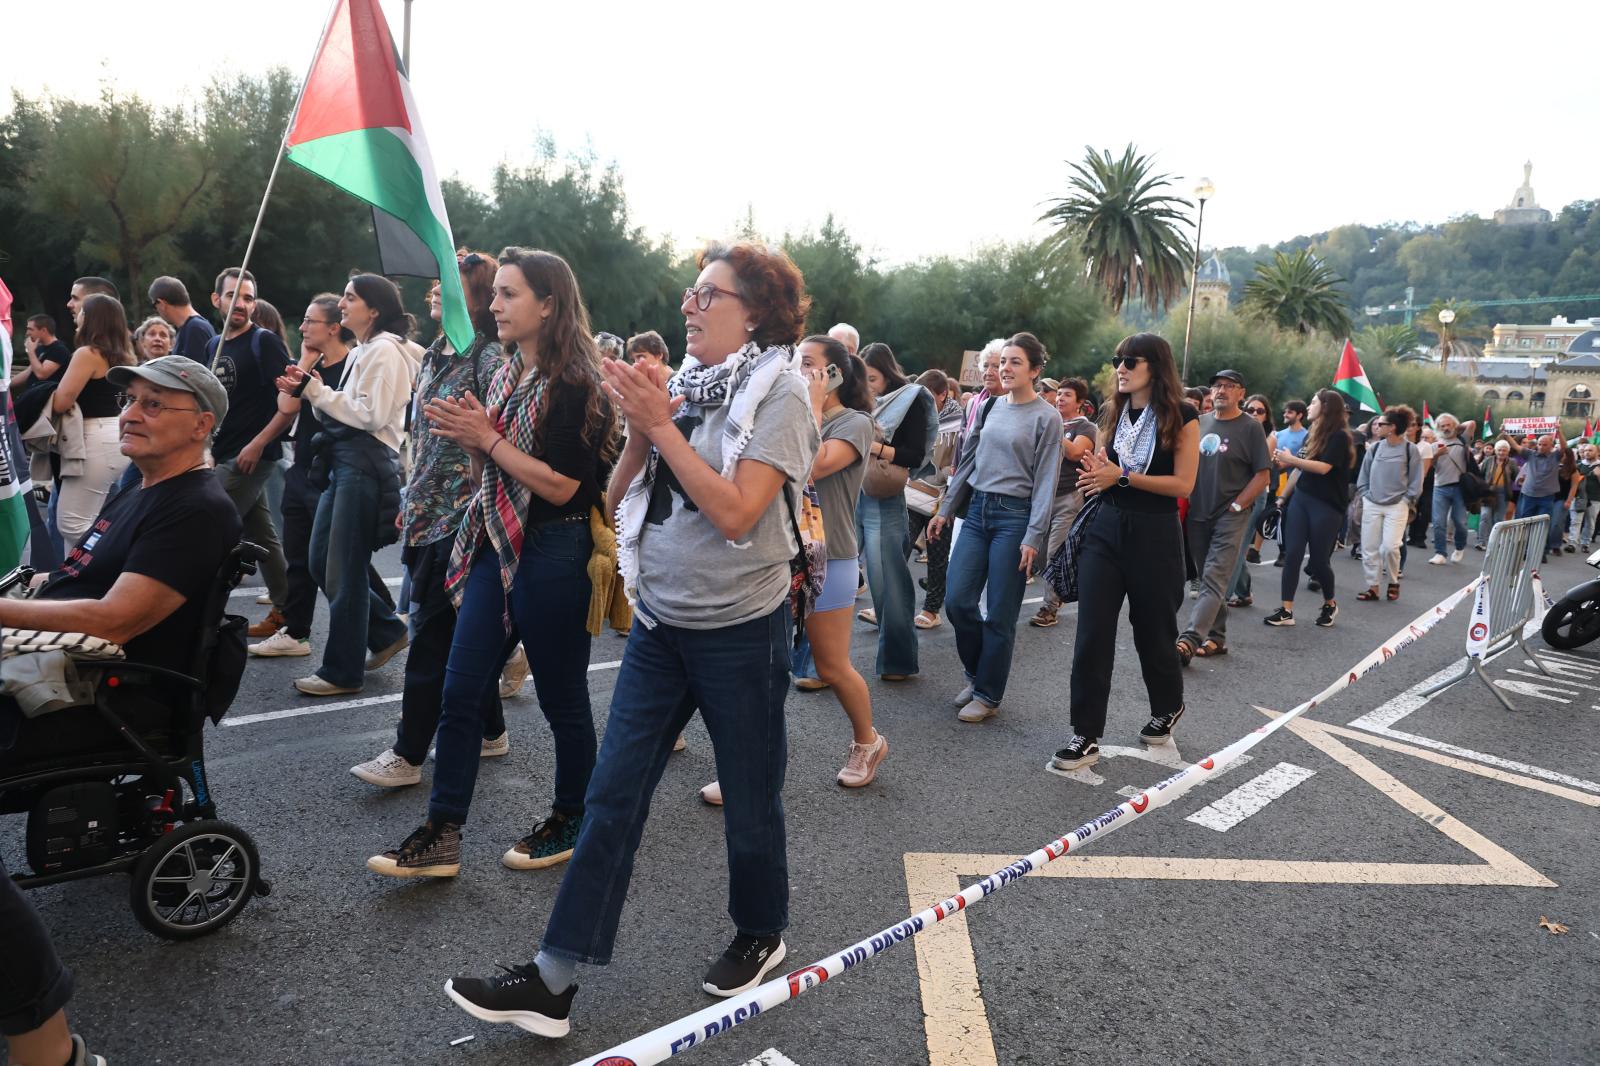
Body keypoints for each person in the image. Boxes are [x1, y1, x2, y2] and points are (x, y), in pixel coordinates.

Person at [444, 240, 819, 1035]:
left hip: (739, 630)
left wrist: (660, 426)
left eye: (708, 294)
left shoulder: (784, 393)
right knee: (611, 797)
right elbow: (616, 502)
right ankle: (552, 980)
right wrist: (646, 432)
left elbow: (737, 514)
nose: (688, 304)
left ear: (756, 311)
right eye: (689, 291)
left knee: (750, 795)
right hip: (659, 623)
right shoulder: (682, 386)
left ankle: (761, 932)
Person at [365, 249, 615, 878]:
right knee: (460, 690)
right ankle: (442, 832)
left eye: (509, 294)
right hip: (493, 543)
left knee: (562, 700)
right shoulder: (506, 375)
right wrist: (473, 444)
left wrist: (487, 439)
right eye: (495, 292)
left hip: (555, 550)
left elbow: (563, 487)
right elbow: (492, 474)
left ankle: (573, 816)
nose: (494, 305)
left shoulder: (574, 383)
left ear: (549, 304)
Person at [350, 254, 512, 784]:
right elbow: (420, 438)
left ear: (480, 296)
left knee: (431, 638)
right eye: (439, 281)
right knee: (455, 635)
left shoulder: (487, 356)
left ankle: (408, 754)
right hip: (426, 513)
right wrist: (411, 500)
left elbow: (499, 436)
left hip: (465, 518)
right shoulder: (431, 355)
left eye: (454, 282)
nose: (438, 289)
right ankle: (491, 730)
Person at [1051, 334, 1198, 771]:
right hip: (1107, 527)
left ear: (1156, 366)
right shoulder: (1113, 410)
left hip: (1155, 533)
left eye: (1130, 360)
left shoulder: (1182, 415)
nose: (1120, 367)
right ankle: (1085, 734)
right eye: (1118, 359)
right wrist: (1096, 475)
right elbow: (1106, 469)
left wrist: (1121, 477)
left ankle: (1168, 705)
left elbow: (1183, 485)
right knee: (1092, 633)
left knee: (1153, 632)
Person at [276, 274, 417, 696]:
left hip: (364, 464)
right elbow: (342, 409)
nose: (342, 303)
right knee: (322, 561)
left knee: (343, 568)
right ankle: (386, 631)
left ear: (373, 310)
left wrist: (316, 392)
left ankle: (342, 670)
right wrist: (312, 391)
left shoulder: (385, 350)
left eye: (350, 298)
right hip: (344, 461)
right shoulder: (362, 351)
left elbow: (371, 415)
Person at [247, 294, 389, 659]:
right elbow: (286, 406)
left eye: (311, 321)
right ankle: (296, 631)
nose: (303, 327)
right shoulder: (310, 364)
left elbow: (361, 415)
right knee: (300, 555)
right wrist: (306, 363)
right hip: (303, 465)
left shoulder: (353, 365)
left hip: (335, 470)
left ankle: (387, 621)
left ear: (333, 328)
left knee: (339, 560)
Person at [930, 332, 1061, 722]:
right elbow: (968, 462)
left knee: (1001, 614)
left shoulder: (1047, 417)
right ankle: (976, 675)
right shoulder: (988, 406)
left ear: (1034, 370)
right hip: (977, 512)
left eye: (1015, 362)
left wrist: (1034, 535)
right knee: (957, 601)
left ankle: (987, 694)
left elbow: (1046, 482)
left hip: (1015, 518)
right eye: (1003, 361)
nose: (1005, 368)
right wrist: (945, 510)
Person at [781, 335, 886, 785]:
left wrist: (811, 404)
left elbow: (814, 464)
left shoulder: (855, 423)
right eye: (795, 362)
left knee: (830, 666)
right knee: (762, 667)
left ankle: (868, 741)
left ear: (834, 374)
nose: (797, 370)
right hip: (777, 556)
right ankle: (746, 767)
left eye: (807, 363)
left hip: (831, 557)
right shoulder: (787, 413)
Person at [204, 267, 294, 639]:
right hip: (222, 451)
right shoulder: (213, 346)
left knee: (206, 531)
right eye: (232, 296)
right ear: (217, 300)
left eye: (248, 298)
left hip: (252, 456)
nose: (240, 304)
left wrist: (258, 443)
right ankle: (288, 610)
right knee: (263, 538)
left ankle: (199, 618)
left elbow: (292, 401)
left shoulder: (264, 342)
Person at [1175, 369, 1269, 662]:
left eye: (1229, 386)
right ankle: (1216, 637)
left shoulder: (1251, 427)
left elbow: (1263, 475)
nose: (1221, 391)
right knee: (1207, 577)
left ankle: (1189, 640)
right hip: (1198, 512)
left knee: (1215, 577)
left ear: (1241, 393)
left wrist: (1239, 506)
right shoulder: (1200, 422)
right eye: (1216, 386)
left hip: (1230, 515)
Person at [854, 342, 935, 681]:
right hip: (846, 491)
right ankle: (815, 665)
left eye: (873, 379)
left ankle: (897, 661)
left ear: (888, 375)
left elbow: (914, 456)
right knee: (827, 577)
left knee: (888, 583)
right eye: (864, 380)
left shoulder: (909, 399)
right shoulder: (855, 397)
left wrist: (871, 445)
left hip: (882, 496)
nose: (869, 387)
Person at [1264, 389, 1356, 628]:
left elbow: (1323, 468)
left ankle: (1330, 603)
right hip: (1302, 500)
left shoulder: (1339, 437)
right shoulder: (1312, 434)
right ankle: (1286, 610)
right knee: (1292, 554)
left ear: (1325, 406)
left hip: (1327, 506)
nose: (1309, 406)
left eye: (1313, 402)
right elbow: (1299, 469)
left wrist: (1291, 459)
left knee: (1318, 560)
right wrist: (1282, 498)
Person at [49, 294, 134, 545]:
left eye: (82, 311)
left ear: (92, 318)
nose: (77, 315)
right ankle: (78, 570)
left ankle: (116, 557)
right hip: (114, 435)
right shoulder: (124, 355)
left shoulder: (88, 353)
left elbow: (61, 402)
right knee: (91, 519)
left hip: (93, 439)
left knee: (72, 523)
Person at [1029, 376, 1097, 628]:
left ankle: (1049, 607)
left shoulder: (1085, 427)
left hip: (1068, 497)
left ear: (1080, 402)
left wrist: (1054, 427)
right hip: (1042, 495)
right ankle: (1061, 589)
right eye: (1059, 394)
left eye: (1067, 395)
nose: (1060, 399)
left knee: (1053, 553)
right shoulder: (1050, 421)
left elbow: (1076, 452)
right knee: (1036, 551)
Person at [908, 368, 964, 629]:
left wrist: (945, 473)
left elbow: (959, 464)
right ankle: (888, 603)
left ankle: (931, 610)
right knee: (899, 549)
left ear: (944, 395)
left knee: (937, 556)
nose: (923, 401)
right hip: (911, 493)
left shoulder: (959, 423)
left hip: (941, 499)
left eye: (928, 395)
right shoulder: (916, 416)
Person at [1355, 405, 1423, 602]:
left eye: (1381, 424)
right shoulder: (1375, 448)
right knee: (1369, 548)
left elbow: (1416, 480)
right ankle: (1373, 587)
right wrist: (1365, 494)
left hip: (1397, 505)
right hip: (1372, 503)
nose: (1376, 426)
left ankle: (1393, 581)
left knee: (1390, 547)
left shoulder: (1410, 450)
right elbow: (1363, 475)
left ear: (1392, 427)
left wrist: (1406, 500)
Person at [1226, 393, 1277, 607]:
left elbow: (1254, 465)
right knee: (1232, 545)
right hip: (1232, 491)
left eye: (1260, 411)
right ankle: (1244, 591)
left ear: (1266, 416)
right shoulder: (1237, 430)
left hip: (1254, 494)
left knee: (1237, 547)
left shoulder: (1270, 437)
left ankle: (1222, 597)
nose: (1254, 414)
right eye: (1250, 410)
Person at [1427, 412, 1476, 565]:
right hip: (1440, 487)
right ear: (1438, 428)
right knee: (1438, 522)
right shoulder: (1434, 445)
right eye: (1442, 426)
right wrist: (1437, 454)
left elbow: (1472, 423)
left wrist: (1456, 427)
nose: (1446, 428)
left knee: (1460, 522)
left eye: (1448, 425)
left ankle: (1459, 547)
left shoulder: (1462, 439)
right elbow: (1428, 465)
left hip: (1459, 487)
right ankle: (1440, 553)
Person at [1508, 434, 1565, 562]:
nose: (1541, 447)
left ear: (1551, 445)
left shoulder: (1555, 456)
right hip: (1529, 495)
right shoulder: (1531, 454)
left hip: (1546, 497)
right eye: (1539, 444)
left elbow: (1564, 447)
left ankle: (1541, 552)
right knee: (1526, 524)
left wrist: (1559, 431)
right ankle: (1525, 551)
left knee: (1542, 525)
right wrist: (1506, 434)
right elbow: (1515, 446)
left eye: (1545, 445)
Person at [148, 274, 217, 362]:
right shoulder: (193, 327)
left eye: (154, 306)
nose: (156, 310)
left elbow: (196, 370)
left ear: (161, 304)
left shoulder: (195, 329)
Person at [10, 314, 70, 391]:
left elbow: (41, 374)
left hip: (45, 395)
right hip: (31, 393)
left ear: (43, 330)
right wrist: (5, 386)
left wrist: (31, 351)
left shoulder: (59, 350)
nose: (27, 333)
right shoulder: (40, 348)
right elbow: (28, 372)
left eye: (30, 329)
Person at [1476, 438, 1517, 549]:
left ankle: (1494, 542)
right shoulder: (1488, 461)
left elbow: (1515, 477)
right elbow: (1480, 475)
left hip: (1503, 493)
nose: (1501, 452)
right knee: (1485, 516)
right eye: (1499, 450)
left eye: (1504, 450)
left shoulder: (1512, 462)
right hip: (1488, 492)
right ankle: (1481, 541)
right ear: (1495, 450)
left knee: (1498, 519)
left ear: (1508, 451)